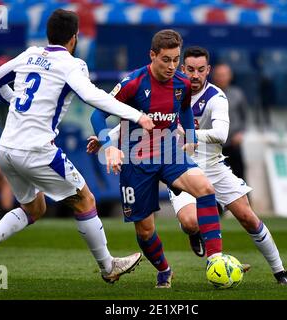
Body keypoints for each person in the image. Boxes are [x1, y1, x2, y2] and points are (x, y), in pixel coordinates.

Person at [0, 9, 155, 284]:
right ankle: (108, 266)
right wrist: (137, 115)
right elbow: (91, 96)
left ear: (48, 34)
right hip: (37, 151)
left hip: (6, 149)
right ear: (74, 38)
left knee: (34, 209)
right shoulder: (71, 64)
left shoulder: (29, 54)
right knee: (85, 199)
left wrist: (15, 101)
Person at [89, 30, 231, 289]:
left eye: (176, 59)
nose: (172, 66)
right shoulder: (132, 83)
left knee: (206, 190)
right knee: (144, 231)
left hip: (169, 153)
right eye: (166, 59)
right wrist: (108, 146)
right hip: (135, 161)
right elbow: (97, 116)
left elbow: (186, 108)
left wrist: (189, 136)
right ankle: (164, 270)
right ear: (152, 55)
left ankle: (215, 260)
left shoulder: (182, 83)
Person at [165, 46, 287, 285]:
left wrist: (191, 134)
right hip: (181, 167)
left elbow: (222, 134)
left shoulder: (216, 96)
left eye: (200, 70)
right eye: (190, 69)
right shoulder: (169, 93)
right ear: (183, 69)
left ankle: (280, 272)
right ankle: (195, 233)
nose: (195, 75)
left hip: (213, 165)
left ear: (208, 70)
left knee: (248, 217)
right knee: (191, 222)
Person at [212, 63, 247, 180]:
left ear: (230, 76)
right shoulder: (208, 95)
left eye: (224, 75)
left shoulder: (238, 94)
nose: (222, 78)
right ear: (213, 76)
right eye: (219, 75)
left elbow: (244, 117)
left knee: (239, 178)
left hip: (234, 145)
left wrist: (241, 133)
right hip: (214, 147)